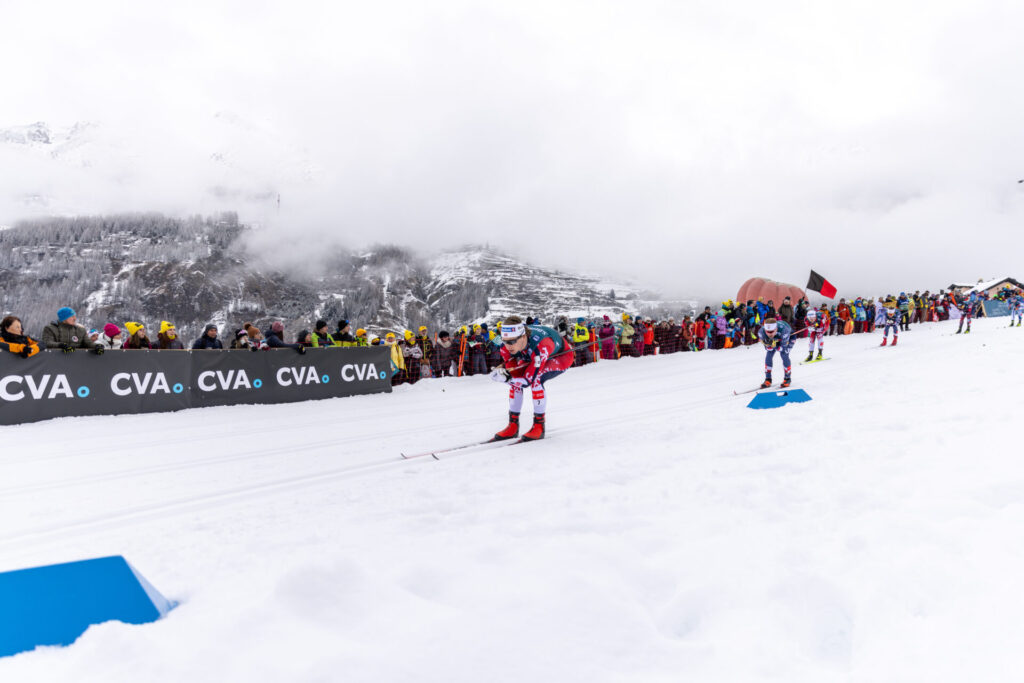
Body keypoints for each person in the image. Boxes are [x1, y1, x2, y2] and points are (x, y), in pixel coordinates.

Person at [489, 315, 574, 441]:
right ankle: (512, 425)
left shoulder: (541, 345)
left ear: (523, 337)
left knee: (536, 379)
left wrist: (507, 379)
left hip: (560, 356)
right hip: (531, 354)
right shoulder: (506, 346)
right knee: (514, 380)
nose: (508, 346)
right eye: (505, 341)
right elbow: (516, 377)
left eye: (512, 342)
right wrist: (506, 377)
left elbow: (528, 381)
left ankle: (539, 426)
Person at [757, 317, 793, 388]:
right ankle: (768, 379)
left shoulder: (784, 330)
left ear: (776, 329)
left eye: (772, 331)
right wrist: (769, 345)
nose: (770, 334)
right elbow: (768, 349)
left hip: (788, 337)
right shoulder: (761, 332)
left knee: (784, 355)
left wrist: (774, 346)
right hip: (777, 339)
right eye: (768, 331)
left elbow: (782, 348)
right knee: (769, 355)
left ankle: (787, 378)